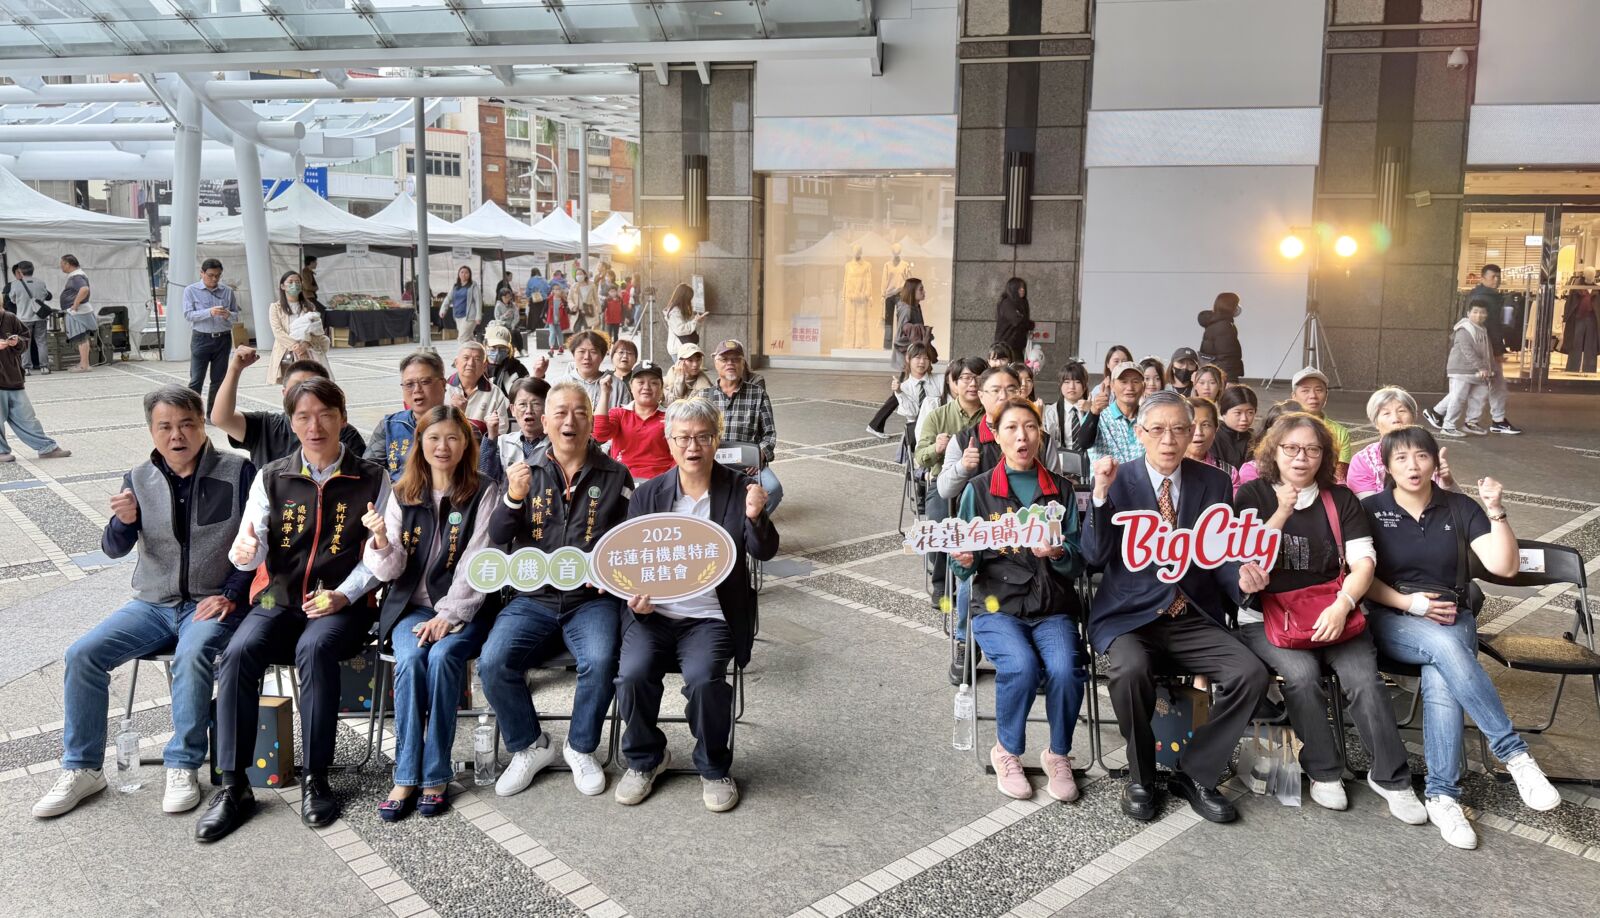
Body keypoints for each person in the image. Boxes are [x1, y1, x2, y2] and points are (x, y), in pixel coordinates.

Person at [32, 385, 252, 820]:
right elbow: (113, 548)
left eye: (187, 424)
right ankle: (83, 767)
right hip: (152, 603)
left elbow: (256, 544)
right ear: (151, 431)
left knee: (192, 655)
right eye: (165, 426)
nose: (177, 435)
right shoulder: (138, 478)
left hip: (210, 602)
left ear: (202, 425)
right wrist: (121, 522)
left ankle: (183, 764)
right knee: (82, 655)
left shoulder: (237, 471)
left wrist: (230, 594)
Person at [197, 377, 389, 841]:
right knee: (239, 653)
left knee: (316, 648)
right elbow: (251, 546)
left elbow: (381, 556)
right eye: (303, 416)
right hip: (278, 598)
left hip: (343, 603)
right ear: (291, 422)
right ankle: (233, 785)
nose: (315, 425)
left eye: (325, 414)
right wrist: (244, 551)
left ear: (342, 418)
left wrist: (343, 593)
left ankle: (316, 777)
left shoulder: (373, 478)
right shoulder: (272, 475)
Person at [1361, 426, 1559, 849]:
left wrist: (1496, 510)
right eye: (1401, 458)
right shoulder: (1370, 510)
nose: (1412, 466)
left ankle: (1443, 797)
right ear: (1387, 466)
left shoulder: (1458, 507)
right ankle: (1515, 755)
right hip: (1392, 615)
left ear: (1436, 460)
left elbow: (1504, 567)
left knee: (1441, 675)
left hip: (1453, 612)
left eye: (1421, 456)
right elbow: (1362, 577)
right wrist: (1411, 604)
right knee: (1447, 647)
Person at [1082, 390, 1271, 824]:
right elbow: (1093, 557)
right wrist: (1098, 497)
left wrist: (1241, 579)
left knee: (1251, 673)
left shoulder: (1213, 483)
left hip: (1191, 614)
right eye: (1158, 429)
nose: (1169, 439)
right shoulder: (1117, 480)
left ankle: (1196, 771)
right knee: (1128, 671)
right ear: (1139, 433)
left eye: (1180, 429)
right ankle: (1142, 776)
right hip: (1132, 617)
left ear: (1194, 434)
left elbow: (1220, 555)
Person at [1232, 412, 1426, 822]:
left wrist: (1342, 605)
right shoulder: (1251, 495)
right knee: (1301, 678)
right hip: (1269, 616)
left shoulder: (1340, 499)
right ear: (1274, 451)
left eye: (1312, 450)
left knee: (1364, 680)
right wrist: (1282, 511)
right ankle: (1323, 771)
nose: (1301, 458)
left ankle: (1392, 779)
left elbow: (1363, 563)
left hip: (1334, 607)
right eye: (1291, 449)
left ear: (1324, 455)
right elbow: (1249, 564)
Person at [614, 397, 779, 811]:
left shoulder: (739, 490)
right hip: (655, 616)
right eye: (684, 437)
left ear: (716, 441)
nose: (693, 446)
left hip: (711, 616)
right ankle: (645, 758)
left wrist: (757, 516)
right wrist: (635, 600)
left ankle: (713, 766)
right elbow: (631, 561)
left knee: (705, 679)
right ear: (669, 442)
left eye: (703, 437)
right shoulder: (650, 494)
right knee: (632, 674)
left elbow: (764, 551)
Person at [481, 381, 631, 799]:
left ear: (592, 422)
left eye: (580, 412)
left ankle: (581, 747)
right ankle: (530, 746)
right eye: (560, 413)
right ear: (544, 421)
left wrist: (609, 574)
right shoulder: (525, 472)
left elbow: (629, 541)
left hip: (591, 601)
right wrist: (513, 498)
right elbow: (497, 537)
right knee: (493, 663)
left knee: (601, 660)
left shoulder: (615, 474)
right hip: (534, 598)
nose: (570, 421)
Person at [364, 406, 501, 820]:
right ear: (419, 444)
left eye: (453, 438)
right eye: (434, 438)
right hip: (410, 609)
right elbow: (390, 572)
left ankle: (436, 772)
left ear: (467, 445)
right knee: (409, 659)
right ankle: (406, 774)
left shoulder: (484, 490)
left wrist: (450, 614)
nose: (443, 447)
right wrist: (382, 541)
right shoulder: (401, 492)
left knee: (442, 657)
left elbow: (479, 560)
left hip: (467, 610)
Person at [950, 398, 1085, 802]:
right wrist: (965, 560)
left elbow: (1079, 560)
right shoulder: (978, 490)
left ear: (1041, 434)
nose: (1022, 436)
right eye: (1011, 428)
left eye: (1030, 427)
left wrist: (1058, 553)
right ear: (995, 434)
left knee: (1065, 668)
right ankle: (1007, 750)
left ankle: (1058, 754)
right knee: (1021, 666)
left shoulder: (1060, 489)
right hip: (997, 607)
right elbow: (961, 567)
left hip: (1052, 608)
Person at [212, 345, 365, 468]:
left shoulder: (344, 432)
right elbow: (221, 418)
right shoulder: (266, 425)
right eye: (297, 387)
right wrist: (235, 369)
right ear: (284, 393)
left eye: (313, 387)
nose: (304, 394)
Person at [915, 357, 986, 611]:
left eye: (978, 378)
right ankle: (942, 585)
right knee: (939, 523)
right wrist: (937, 447)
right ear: (953, 383)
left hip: (983, 484)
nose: (972, 384)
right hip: (944, 483)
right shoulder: (938, 416)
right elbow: (919, 455)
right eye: (966, 378)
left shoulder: (993, 416)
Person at [1423, 264, 1522, 435]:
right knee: (1490, 386)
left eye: (1498, 277)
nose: (1496, 280)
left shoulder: (1488, 296)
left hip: (1485, 349)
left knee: (1474, 388)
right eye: (1493, 277)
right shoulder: (1485, 298)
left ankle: (1440, 413)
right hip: (1484, 351)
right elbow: (1493, 327)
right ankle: (1495, 420)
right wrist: (1497, 351)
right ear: (1483, 278)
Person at [701, 339, 783, 512]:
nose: (730, 363)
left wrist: (758, 455)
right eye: (724, 359)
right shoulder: (703, 397)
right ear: (715, 363)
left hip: (748, 463)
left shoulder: (757, 394)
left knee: (773, 489)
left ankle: (750, 523)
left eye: (735, 359)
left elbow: (769, 434)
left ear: (743, 363)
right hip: (713, 462)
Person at [1348, 387, 1457, 499]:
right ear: (1375, 422)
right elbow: (1367, 507)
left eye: (1402, 411)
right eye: (1386, 413)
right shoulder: (1364, 460)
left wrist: (1448, 482)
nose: (1396, 419)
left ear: (1414, 417)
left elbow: (1458, 506)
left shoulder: (1428, 454)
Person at [0, 307, 72, 461]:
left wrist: (16, 342)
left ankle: (46, 448)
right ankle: (1, 451)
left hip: (13, 377)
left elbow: (25, 338)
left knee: (27, 417)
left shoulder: (10, 318)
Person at [365, 350, 449, 482]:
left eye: (425, 382)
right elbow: (369, 473)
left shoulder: (461, 428)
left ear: (443, 384)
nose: (417, 390)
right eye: (409, 384)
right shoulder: (388, 426)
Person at [594, 363, 673, 480]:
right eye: (640, 382)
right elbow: (600, 434)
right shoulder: (619, 414)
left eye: (654, 383)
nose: (646, 387)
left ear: (661, 388)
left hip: (660, 481)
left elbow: (679, 455)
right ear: (631, 386)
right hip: (623, 480)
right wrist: (605, 393)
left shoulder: (671, 417)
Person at [182, 258, 238, 411]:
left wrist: (228, 314)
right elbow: (188, 315)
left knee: (219, 380)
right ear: (202, 273)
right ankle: (192, 413)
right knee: (196, 379)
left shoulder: (227, 291)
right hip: (201, 338)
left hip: (223, 338)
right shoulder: (190, 290)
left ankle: (213, 414)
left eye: (218, 275)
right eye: (211, 275)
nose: (214, 279)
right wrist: (209, 312)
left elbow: (236, 315)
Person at [1435, 302, 1495, 438]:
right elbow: (1467, 350)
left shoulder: (1482, 329)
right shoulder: (1464, 329)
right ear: (1468, 313)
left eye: (1482, 312)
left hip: (1479, 371)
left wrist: (1489, 368)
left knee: (1479, 397)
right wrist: (1482, 367)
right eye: (1475, 312)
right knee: (1458, 398)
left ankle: (1471, 423)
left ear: (1486, 315)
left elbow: (1487, 351)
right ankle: (1448, 426)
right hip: (1461, 369)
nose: (1479, 315)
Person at [480, 376, 550, 483]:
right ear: (512, 410)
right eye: (522, 404)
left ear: (547, 408)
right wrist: (491, 437)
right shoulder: (502, 442)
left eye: (536, 404)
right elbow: (487, 478)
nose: (529, 410)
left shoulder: (556, 443)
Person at [266, 270, 330, 385]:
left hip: (309, 350)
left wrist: (305, 344)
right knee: (292, 385)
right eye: (290, 282)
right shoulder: (275, 307)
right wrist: (295, 347)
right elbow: (278, 331)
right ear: (282, 286)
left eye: (297, 282)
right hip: (288, 351)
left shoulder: (309, 306)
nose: (294, 285)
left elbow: (316, 329)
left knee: (313, 383)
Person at [1077, 360, 1145, 466]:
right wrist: (1094, 412)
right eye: (1123, 382)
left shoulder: (1149, 418)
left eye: (1135, 382)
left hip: (1142, 482)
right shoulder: (1099, 415)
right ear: (1112, 385)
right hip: (1108, 481)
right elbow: (1083, 443)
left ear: (1143, 387)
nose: (1130, 387)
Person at [867, 340, 941, 438]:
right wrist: (899, 392)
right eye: (918, 358)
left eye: (926, 358)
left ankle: (874, 425)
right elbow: (912, 413)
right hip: (916, 434)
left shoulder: (940, 380)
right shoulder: (905, 387)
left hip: (940, 431)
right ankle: (874, 425)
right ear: (908, 358)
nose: (922, 362)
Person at [1288, 368, 1351, 482]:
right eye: (1305, 390)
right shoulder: (1283, 427)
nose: (1313, 395)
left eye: (1318, 390)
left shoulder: (1340, 432)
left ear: (1326, 396)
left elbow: (1339, 477)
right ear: (1293, 396)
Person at [446, 340, 512, 433]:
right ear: (456, 362)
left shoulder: (496, 394)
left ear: (484, 366)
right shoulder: (444, 389)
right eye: (466, 358)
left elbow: (500, 432)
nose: (471, 363)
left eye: (477, 359)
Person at [1185, 397, 1238, 490]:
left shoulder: (1228, 473)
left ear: (1215, 429)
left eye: (1205, 425)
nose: (1198, 432)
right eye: (1191, 425)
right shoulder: (1167, 468)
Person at [7, 261, 50, 374]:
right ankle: (44, 367)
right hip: (40, 317)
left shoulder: (15, 284)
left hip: (24, 318)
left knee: (25, 342)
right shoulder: (41, 283)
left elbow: (13, 300)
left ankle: (26, 368)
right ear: (33, 269)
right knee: (42, 342)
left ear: (20, 271)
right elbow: (46, 296)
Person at [1043, 360, 1091, 457]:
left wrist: (1092, 413)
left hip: (1089, 462)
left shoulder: (1093, 410)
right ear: (1060, 385)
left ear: (1085, 386)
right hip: (1059, 462)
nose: (1071, 387)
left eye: (1077, 382)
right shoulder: (1050, 412)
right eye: (1067, 382)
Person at [1197, 291, 1244, 381]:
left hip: (1214, 372)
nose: (1238, 307)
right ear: (1230, 306)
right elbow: (1227, 357)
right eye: (1236, 304)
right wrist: (1230, 380)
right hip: (1223, 376)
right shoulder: (1225, 326)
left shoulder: (1214, 323)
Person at [59, 254, 95, 374]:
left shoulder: (76, 276)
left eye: (62, 264)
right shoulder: (78, 274)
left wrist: (75, 304)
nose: (61, 267)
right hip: (79, 311)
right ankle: (84, 363)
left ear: (68, 264)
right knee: (83, 338)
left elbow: (84, 289)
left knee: (81, 338)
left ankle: (84, 365)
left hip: (78, 312)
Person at [890, 276, 930, 374]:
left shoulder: (916, 307)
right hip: (906, 357)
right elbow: (900, 337)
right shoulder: (907, 309)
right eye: (921, 289)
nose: (924, 292)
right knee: (904, 385)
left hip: (912, 355)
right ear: (912, 291)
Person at [1212, 384, 1258, 469]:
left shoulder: (1256, 438)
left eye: (1250, 412)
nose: (1244, 419)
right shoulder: (1213, 439)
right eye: (1238, 413)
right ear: (1224, 413)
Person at [562, 330, 610, 407]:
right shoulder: (559, 384)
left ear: (602, 357)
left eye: (593, 352)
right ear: (573, 354)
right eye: (581, 351)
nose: (587, 357)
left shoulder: (617, 386)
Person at [485, 324, 535, 397]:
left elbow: (528, 393)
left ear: (509, 348)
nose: (497, 352)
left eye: (502, 348)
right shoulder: (477, 367)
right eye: (493, 347)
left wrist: (538, 376)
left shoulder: (517, 368)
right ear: (485, 345)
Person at [993, 277, 1033, 357]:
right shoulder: (1007, 303)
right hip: (1006, 346)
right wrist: (1030, 324)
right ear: (1013, 289)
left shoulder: (1023, 303)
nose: (1022, 290)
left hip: (1017, 345)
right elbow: (1017, 321)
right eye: (1019, 288)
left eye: (1023, 287)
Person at [442, 266, 482, 344]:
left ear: (470, 275)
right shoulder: (455, 286)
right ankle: (477, 352)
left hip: (470, 317)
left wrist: (478, 316)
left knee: (462, 338)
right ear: (459, 274)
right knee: (469, 339)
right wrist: (443, 309)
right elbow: (448, 298)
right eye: (462, 272)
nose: (464, 274)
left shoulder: (473, 286)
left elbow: (478, 302)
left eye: (466, 272)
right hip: (458, 316)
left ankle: (462, 355)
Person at [664, 282, 702, 360]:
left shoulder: (679, 310)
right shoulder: (674, 312)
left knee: (685, 371)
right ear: (683, 298)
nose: (690, 301)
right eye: (689, 298)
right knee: (682, 371)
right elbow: (680, 330)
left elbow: (687, 328)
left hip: (682, 347)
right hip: (678, 349)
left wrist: (698, 321)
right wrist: (695, 321)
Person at [607, 337, 639, 409]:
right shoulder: (605, 378)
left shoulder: (638, 379)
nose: (625, 356)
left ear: (635, 359)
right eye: (621, 352)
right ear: (612, 357)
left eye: (629, 353)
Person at [492, 287, 524, 355]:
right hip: (503, 326)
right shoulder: (498, 306)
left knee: (517, 332)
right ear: (501, 297)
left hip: (512, 325)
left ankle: (521, 349)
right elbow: (497, 319)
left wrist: (513, 324)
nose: (507, 299)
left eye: (509, 297)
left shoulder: (513, 305)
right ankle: (515, 350)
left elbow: (516, 316)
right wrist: (505, 316)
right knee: (510, 333)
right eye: (505, 297)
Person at [570, 268, 599, 333]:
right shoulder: (574, 286)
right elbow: (569, 298)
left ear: (585, 275)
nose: (579, 276)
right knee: (576, 329)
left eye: (580, 274)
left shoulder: (591, 285)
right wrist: (572, 306)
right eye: (577, 274)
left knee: (587, 330)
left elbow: (596, 298)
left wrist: (598, 309)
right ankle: (578, 342)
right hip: (577, 310)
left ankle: (586, 342)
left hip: (587, 310)